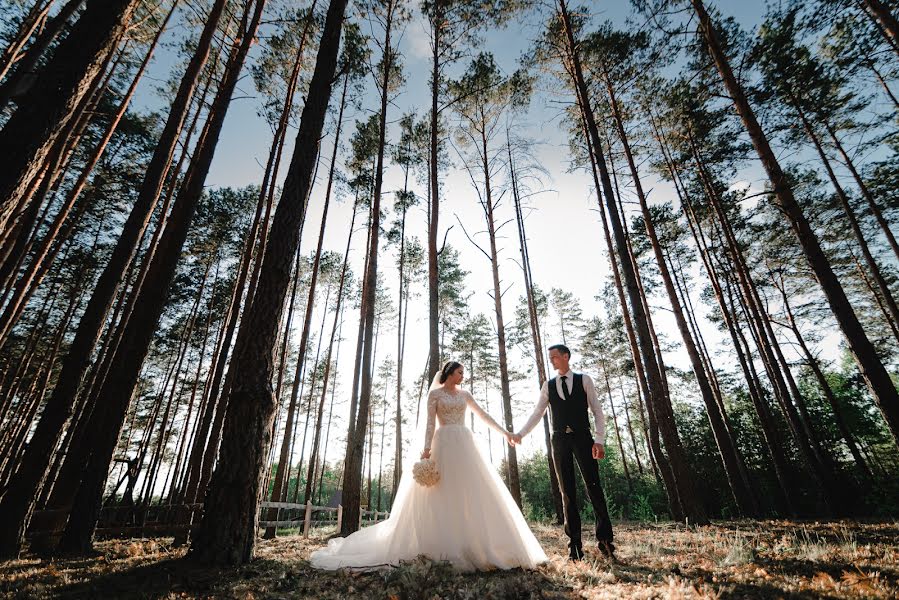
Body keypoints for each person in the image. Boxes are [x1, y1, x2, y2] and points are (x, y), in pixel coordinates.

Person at [309, 360, 547, 571]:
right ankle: (442, 546)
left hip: (465, 444)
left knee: (472, 491)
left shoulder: (465, 395)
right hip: (442, 444)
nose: (463, 376)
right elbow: (429, 425)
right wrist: (426, 449)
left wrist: (506, 433)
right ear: (450, 373)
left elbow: (483, 415)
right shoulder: (434, 396)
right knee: (442, 493)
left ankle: (476, 543)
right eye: (460, 372)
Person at [511, 344, 615, 561]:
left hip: (583, 438)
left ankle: (605, 542)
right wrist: (521, 433)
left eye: (555, 357)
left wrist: (599, 440)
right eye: (550, 358)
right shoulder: (548, 385)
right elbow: (538, 412)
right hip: (559, 440)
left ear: (566, 357)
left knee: (593, 487)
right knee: (567, 492)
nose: (552, 361)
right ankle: (575, 547)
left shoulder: (583, 380)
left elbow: (597, 410)